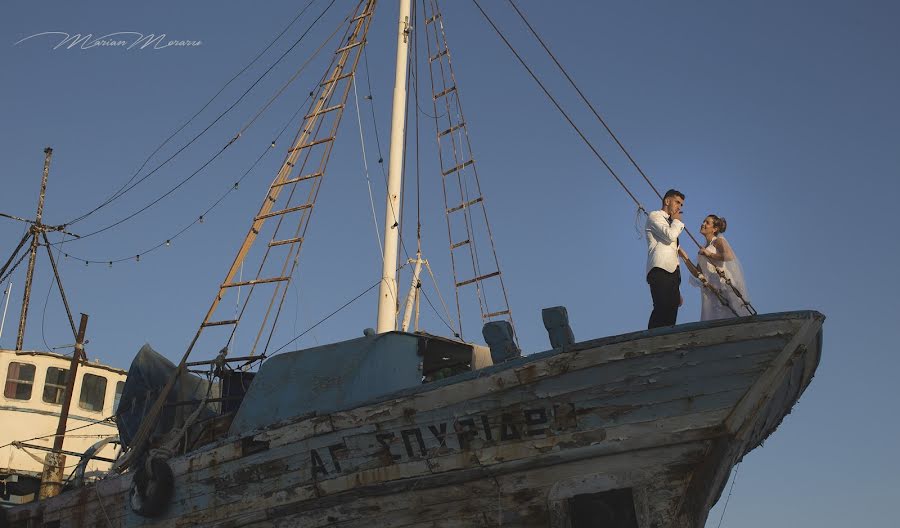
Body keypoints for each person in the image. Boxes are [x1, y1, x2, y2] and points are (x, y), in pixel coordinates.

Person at [689, 215, 751, 320]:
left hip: (722, 287)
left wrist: (709, 254)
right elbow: (698, 272)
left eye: (707, 222)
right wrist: (684, 257)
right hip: (711, 289)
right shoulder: (704, 248)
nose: (703, 224)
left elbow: (729, 256)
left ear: (715, 229)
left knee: (728, 315)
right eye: (703, 221)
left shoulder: (718, 241)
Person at [645, 189, 685, 329]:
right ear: (667, 201)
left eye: (681, 204)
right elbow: (670, 235)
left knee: (671, 314)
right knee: (661, 309)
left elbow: (673, 251)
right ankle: (651, 343)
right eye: (677, 202)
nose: (679, 207)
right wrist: (677, 222)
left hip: (673, 273)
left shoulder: (671, 221)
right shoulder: (655, 216)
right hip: (659, 269)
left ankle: (666, 344)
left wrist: (677, 288)